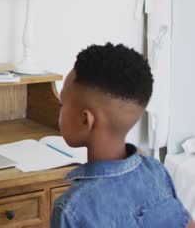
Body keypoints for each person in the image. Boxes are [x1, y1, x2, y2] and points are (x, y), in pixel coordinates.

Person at [51, 43, 195, 228]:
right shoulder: (155, 171)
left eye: (62, 103)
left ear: (85, 120)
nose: (59, 110)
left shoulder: (72, 208)